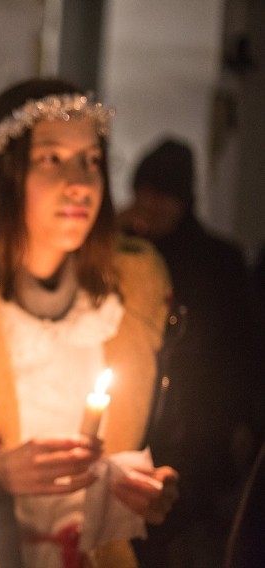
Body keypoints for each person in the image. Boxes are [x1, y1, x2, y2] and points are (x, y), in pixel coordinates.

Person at [0, 78, 180, 568]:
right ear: (5, 173)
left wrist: (148, 491)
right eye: (51, 159)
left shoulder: (132, 301)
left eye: (91, 161)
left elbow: (177, 431)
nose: (79, 182)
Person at [117, 138, 264, 567]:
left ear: (184, 199)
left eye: (163, 195)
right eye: (143, 191)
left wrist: (240, 421)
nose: (150, 204)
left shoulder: (219, 261)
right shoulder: (121, 249)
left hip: (200, 431)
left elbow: (244, 349)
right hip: (135, 423)